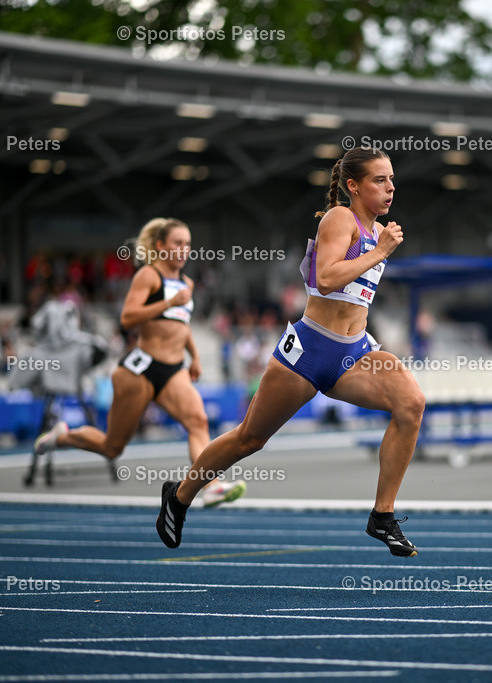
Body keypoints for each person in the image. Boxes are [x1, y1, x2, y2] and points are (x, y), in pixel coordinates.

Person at [155, 147, 425, 556]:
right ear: (353, 186)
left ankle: (382, 516)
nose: (390, 188)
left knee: (412, 404)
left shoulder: (376, 229)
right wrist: (380, 252)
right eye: (379, 180)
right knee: (250, 439)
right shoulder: (341, 218)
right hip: (308, 351)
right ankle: (179, 495)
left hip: (354, 352)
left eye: (391, 180)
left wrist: (378, 247)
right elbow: (327, 277)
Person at [34, 218, 245, 508]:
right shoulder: (149, 276)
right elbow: (128, 317)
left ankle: (211, 486)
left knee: (198, 421)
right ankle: (63, 436)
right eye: (177, 243)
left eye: (188, 244)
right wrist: (168, 303)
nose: (184, 250)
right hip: (141, 368)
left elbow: (182, 325)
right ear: (161, 246)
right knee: (112, 447)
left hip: (173, 371)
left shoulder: (187, 283)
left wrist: (194, 356)